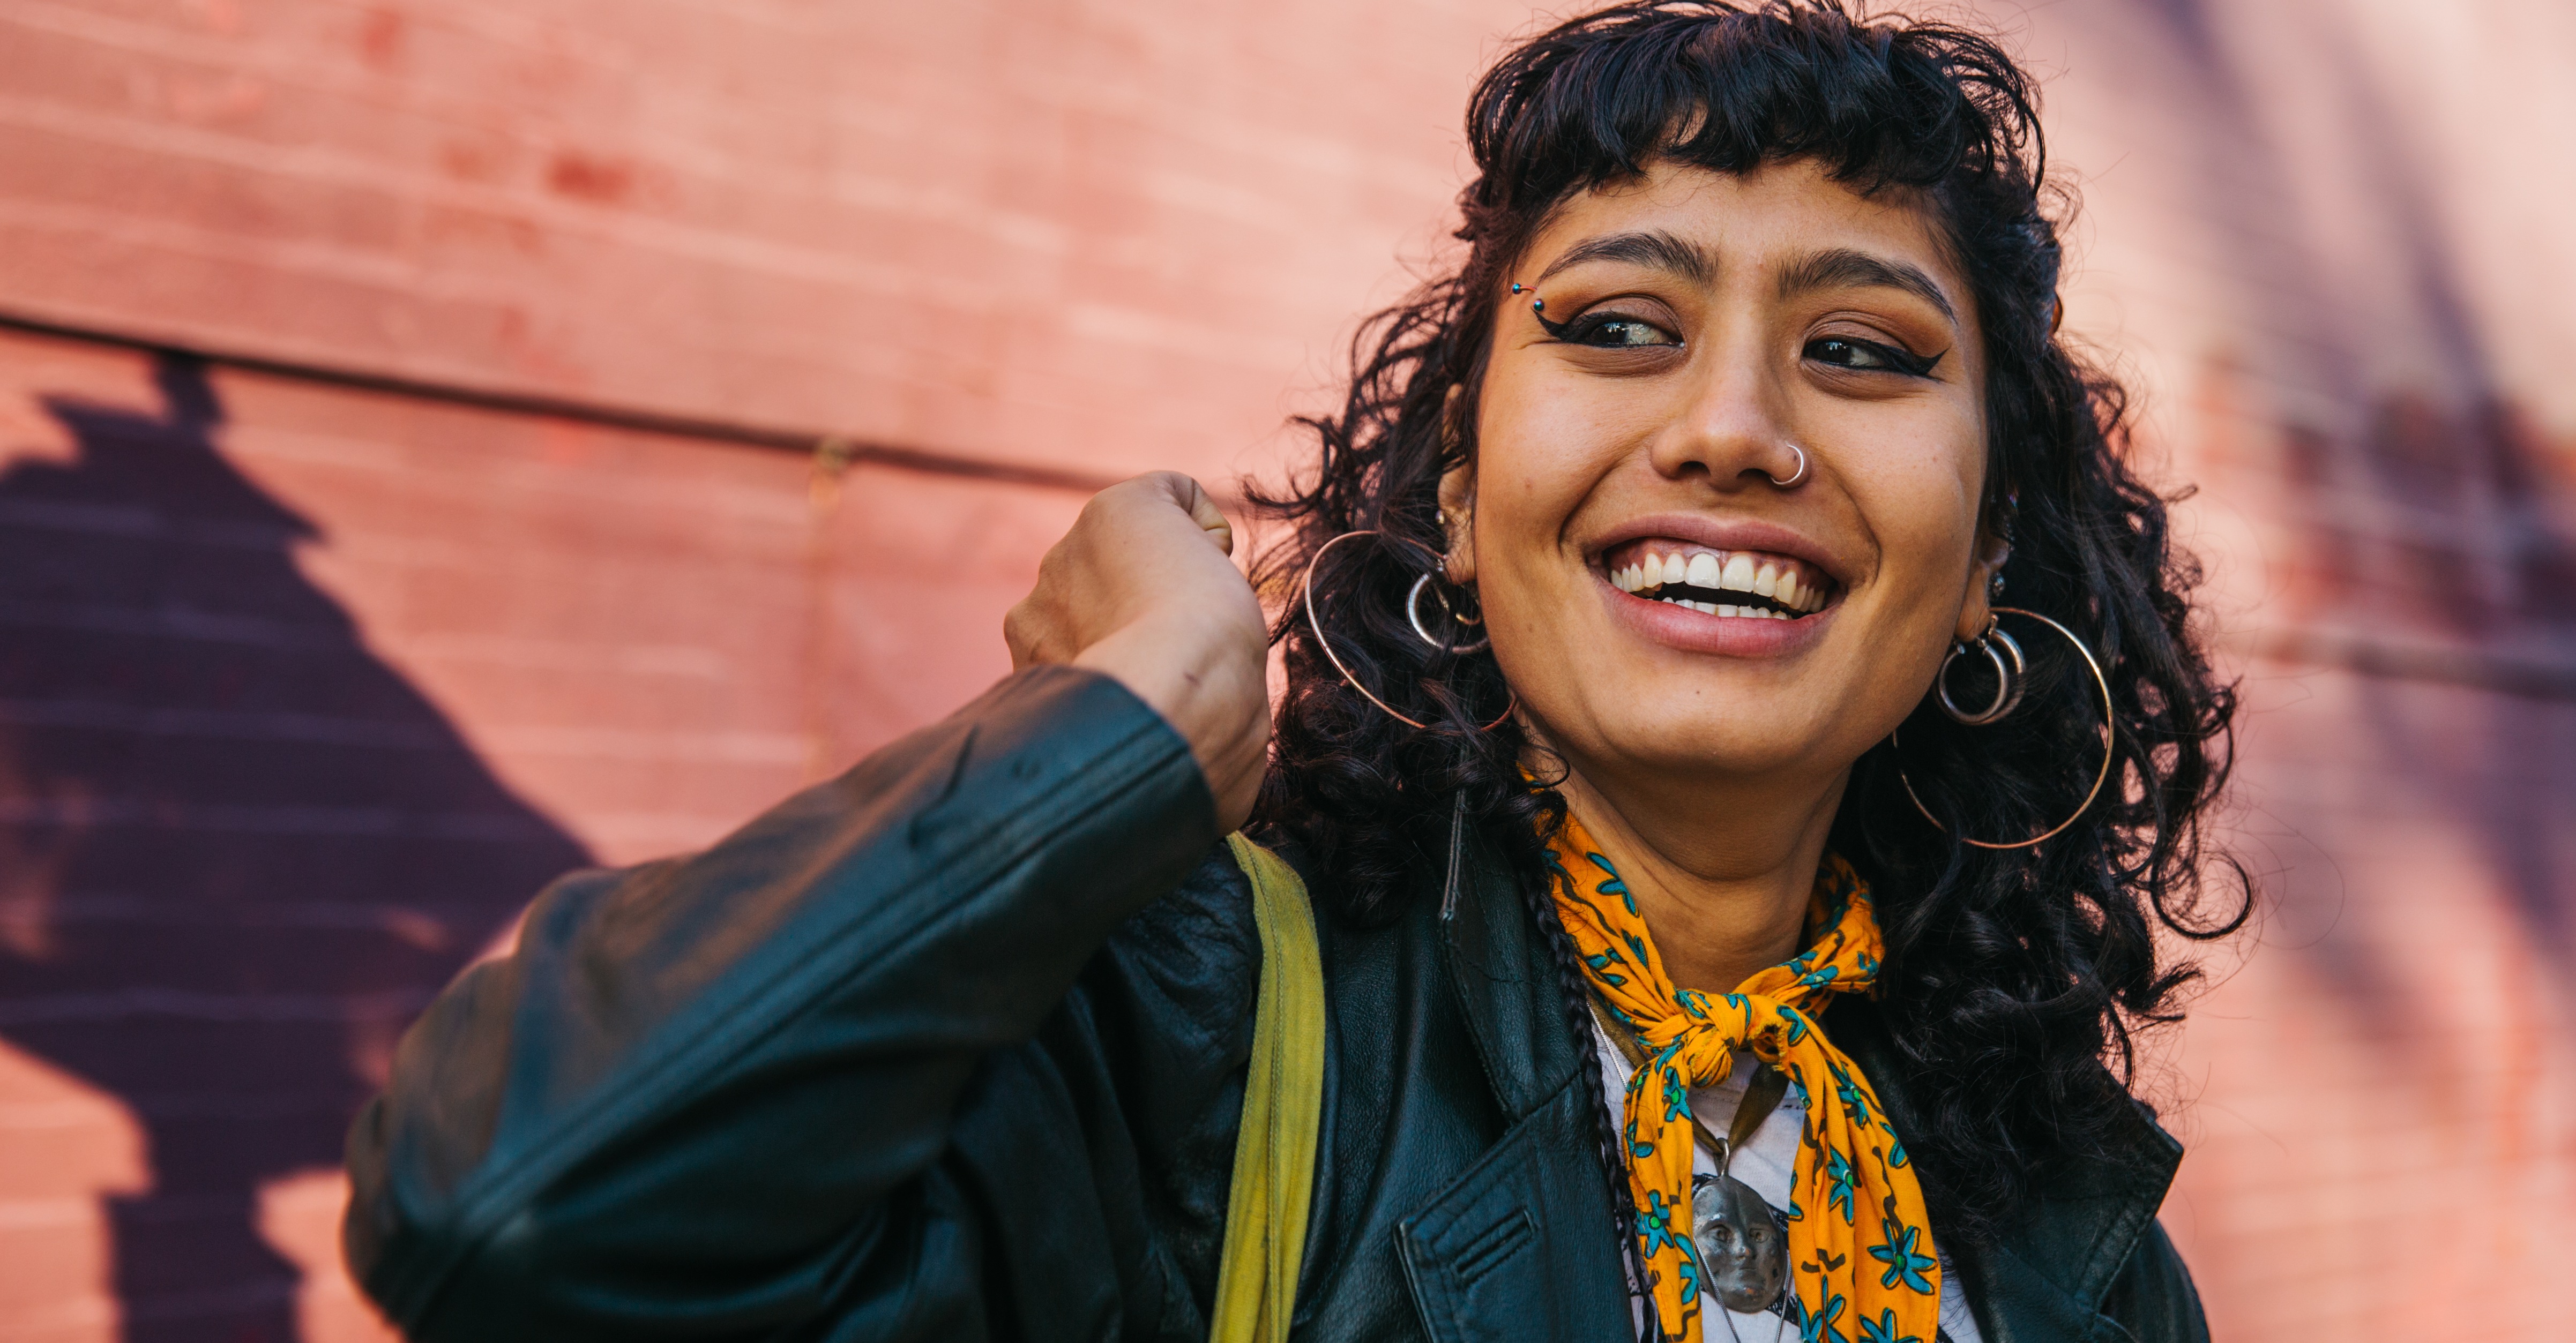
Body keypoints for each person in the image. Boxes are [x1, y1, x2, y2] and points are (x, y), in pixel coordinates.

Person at [340, 3, 2244, 1340]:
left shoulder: (2063, 1208)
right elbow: (516, 1207)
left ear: (1986, 546)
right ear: (1455, 479)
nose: (1733, 426)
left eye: (1863, 352)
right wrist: (1104, 743)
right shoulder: (1199, 1035)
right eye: (1615, 325)